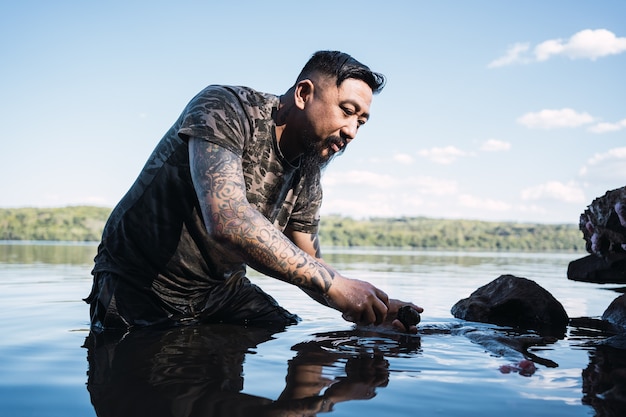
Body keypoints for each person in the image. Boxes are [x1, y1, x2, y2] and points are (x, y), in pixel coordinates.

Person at [85, 50, 422, 333]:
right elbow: (229, 222)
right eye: (347, 112)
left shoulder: (308, 175)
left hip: (221, 292)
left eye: (361, 122)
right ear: (304, 94)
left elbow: (311, 263)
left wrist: (367, 309)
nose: (351, 131)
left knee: (287, 328)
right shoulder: (226, 107)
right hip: (138, 286)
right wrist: (336, 287)